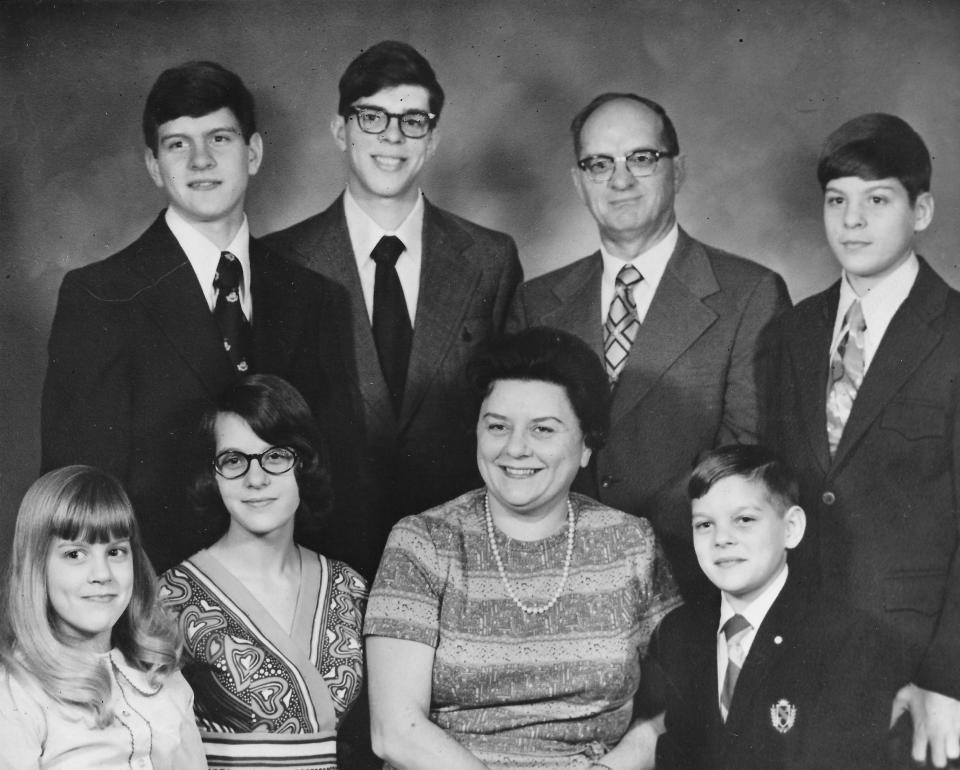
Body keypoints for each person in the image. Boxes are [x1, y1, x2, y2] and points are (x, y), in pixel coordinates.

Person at [41, 60, 355, 573]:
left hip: (292, 600)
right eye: (178, 144)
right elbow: (78, 500)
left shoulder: (315, 299)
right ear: (152, 164)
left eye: (220, 139)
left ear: (253, 153)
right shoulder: (100, 297)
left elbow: (338, 483)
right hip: (155, 608)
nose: (200, 160)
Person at [508, 92, 790, 601]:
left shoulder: (751, 294)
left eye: (641, 158)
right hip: (556, 584)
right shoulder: (536, 302)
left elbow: (747, 455)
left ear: (677, 170)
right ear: (578, 182)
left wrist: (628, 545)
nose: (620, 180)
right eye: (599, 164)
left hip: (690, 582)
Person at [364, 327, 681, 769]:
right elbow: (394, 731)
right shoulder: (423, 542)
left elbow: (681, 704)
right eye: (497, 426)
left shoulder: (631, 543)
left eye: (542, 429)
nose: (515, 448)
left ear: (587, 444)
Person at [264, 40, 522, 580]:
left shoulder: (490, 259)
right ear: (341, 130)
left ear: (431, 140)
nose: (392, 136)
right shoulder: (279, 262)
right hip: (319, 562)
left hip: (460, 560)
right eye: (372, 116)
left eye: (412, 121)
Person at [764, 113, 960, 768]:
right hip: (806, 654)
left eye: (877, 200)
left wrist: (947, 679)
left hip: (917, 667)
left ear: (922, 209)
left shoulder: (955, 334)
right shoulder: (788, 336)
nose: (852, 222)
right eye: (836, 201)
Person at [637, 445, 899, 769]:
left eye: (744, 519)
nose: (722, 539)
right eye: (705, 524)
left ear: (791, 529)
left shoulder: (849, 641)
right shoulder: (677, 633)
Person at [159, 374, 367, 769]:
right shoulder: (170, 597)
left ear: (303, 462)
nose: (256, 479)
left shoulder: (349, 586)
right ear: (213, 473)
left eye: (275, 456)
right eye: (234, 460)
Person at [0, 465, 206, 769]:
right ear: (36, 567)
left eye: (115, 552)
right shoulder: (16, 691)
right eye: (75, 554)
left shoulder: (160, 672)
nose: (101, 574)